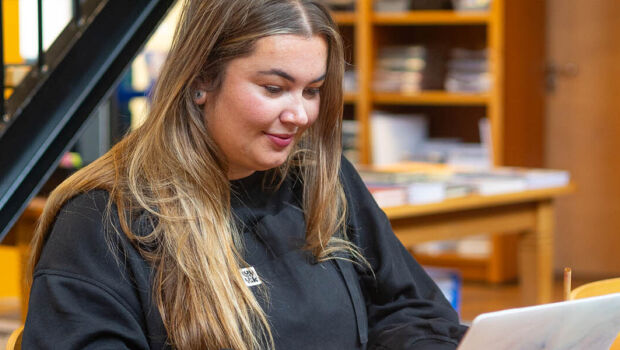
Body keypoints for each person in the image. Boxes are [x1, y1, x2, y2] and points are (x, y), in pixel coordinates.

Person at [23, 0, 467, 349]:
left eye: (312, 90)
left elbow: (410, 307)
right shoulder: (103, 220)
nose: (300, 114)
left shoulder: (318, 179)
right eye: (273, 88)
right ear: (200, 80)